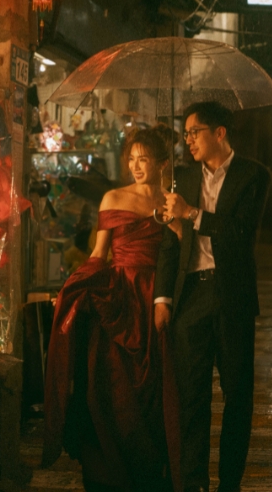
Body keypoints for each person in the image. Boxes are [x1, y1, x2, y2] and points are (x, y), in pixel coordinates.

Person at [43, 126, 181, 492]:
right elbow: (98, 254)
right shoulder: (113, 197)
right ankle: (109, 470)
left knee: (152, 388)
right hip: (118, 298)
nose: (136, 166)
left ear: (161, 163)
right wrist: (76, 287)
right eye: (131, 159)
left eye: (144, 159)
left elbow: (179, 254)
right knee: (111, 383)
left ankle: (151, 471)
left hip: (155, 296)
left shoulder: (172, 202)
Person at [155, 102, 271, 492]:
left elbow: (240, 234)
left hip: (232, 294)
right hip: (191, 296)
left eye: (195, 132)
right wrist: (163, 299)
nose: (188, 140)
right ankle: (192, 482)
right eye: (184, 133)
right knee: (192, 395)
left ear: (219, 133)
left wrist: (192, 214)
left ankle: (229, 483)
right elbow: (171, 245)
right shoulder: (181, 177)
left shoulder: (253, 175)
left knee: (237, 394)